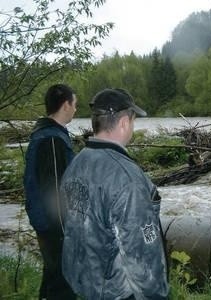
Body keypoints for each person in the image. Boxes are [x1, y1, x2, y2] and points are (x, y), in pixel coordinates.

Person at [60, 88, 169, 300]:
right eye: (133, 121)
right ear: (124, 123)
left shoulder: (77, 162)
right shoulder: (127, 178)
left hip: (84, 282)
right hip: (117, 291)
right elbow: (141, 255)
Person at [23, 84, 77, 299]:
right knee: (62, 284)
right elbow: (53, 190)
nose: (75, 109)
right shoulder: (52, 140)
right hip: (56, 226)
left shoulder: (46, 134)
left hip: (47, 223)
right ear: (66, 105)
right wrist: (66, 231)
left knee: (52, 278)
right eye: (75, 104)